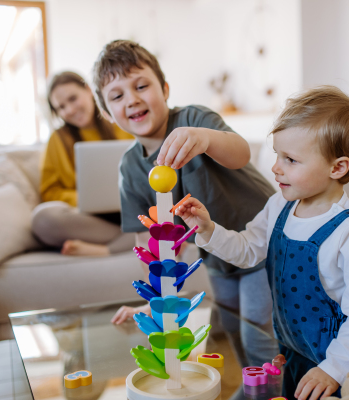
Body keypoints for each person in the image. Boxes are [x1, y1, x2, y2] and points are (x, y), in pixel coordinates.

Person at [174, 86, 349, 399]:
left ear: (337, 167)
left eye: (290, 159)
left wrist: (333, 368)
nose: (275, 167)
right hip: (296, 354)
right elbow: (247, 250)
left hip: (345, 365)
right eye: (277, 154)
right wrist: (207, 229)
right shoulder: (279, 206)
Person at [93, 40, 279, 368]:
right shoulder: (129, 168)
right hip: (218, 253)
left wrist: (206, 138)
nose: (133, 99)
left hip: (262, 239)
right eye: (118, 96)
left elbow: (241, 153)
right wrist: (158, 300)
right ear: (108, 114)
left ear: (164, 89)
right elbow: (146, 241)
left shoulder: (194, 118)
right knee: (233, 328)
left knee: (258, 332)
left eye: (141, 86)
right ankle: (255, 385)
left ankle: (269, 388)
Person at [31, 71, 134, 256]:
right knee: (42, 219)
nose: (69, 110)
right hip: (89, 219)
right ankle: (135, 238)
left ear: (88, 90)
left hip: (131, 211)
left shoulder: (122, 124)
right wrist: (85, 200)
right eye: (61, 107)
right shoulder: (57, 139)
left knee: (172, 208)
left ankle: (105, 249)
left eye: (73, 99)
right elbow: (49, 192)